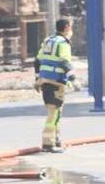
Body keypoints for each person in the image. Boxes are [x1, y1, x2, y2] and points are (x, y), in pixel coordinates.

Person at [35, 17, 77, 153]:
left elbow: (37, 61)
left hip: (45, 82)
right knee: (53, 114)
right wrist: (73, 79)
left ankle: (56, 140)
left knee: (56, 112)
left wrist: (37, 78)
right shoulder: (63, 43)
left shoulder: (48, 41)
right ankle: (48, 143)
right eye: (70, 27)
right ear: (66, 28)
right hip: (56, 82)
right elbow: (65, 62)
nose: (71, 29)